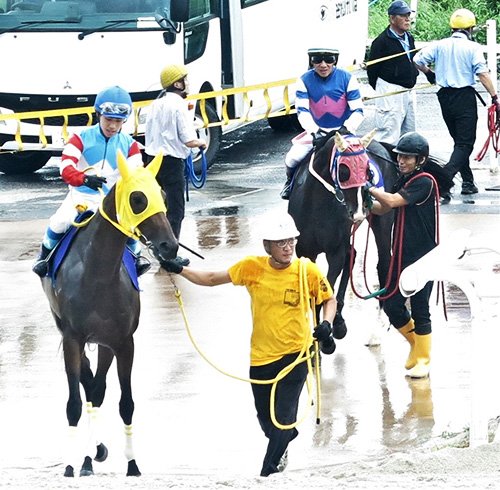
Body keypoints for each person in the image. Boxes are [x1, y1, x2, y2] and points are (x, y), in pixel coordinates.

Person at [160, 213, 337, 477]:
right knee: (267, 422)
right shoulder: (252, 267)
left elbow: (329, 299)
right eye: (281, 243)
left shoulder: (306, 270)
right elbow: (210, 278)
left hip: (296, 357)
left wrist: (327, 324)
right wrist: (180, 270)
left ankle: (266, 474)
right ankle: (285, 437)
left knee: (282, 419)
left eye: (290, 241)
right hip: (262, 359)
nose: (288, 248)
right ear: (268, 246)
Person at [32, 85, 150, 277]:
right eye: (108, 119)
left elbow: (136, 174)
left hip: (113, 201)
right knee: (59, 222)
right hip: (81, 197)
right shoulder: (80, 138)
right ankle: (43, 258)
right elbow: (65, 167)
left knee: (130, 228)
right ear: (98, 115)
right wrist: (84, 178)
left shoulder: (131, 145)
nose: (113, 126)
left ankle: (137, 259)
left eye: (118, 121)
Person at [365, 132, 437, 379]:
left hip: (423, 257)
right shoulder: (404, 180)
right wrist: (364, 203)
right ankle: (416, 346)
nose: (401, 161)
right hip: (402, 257)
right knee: (391, 304)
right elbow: (383, 207)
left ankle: (424, 359)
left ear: (420, 159)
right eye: (400, 156)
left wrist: (369, 187)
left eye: (407, 157)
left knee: (420, 308)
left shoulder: (424, 181)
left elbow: (392, 201)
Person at [413, 8, 500, 203]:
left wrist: (429, 73)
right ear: (470, 28)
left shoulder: (439, 45)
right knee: (465, 144)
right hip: (464, 97)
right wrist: (494, 96)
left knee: (459, 143)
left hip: (444, 97)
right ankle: (442, 181)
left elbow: (417, 59)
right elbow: (482, 73)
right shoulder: (473, 48)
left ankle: (468, 182)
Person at [280, 47, 364, 199]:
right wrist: (314, 131)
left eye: (328, 60)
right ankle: (289, 183)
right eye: (317, 60)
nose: (323, 65)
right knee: (292, 158)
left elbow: (358, 109)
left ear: (335, 61)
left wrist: (347, 128)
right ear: (311, 61)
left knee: (362, 157)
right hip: (316, 132)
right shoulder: (304, 80)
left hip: (344, 132)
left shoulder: (348, 78)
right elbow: (302, 111)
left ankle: (367, 189)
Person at [144, 64, 207, 267]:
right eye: (185, 80)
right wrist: (201, 143)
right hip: (172, 162)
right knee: (176, 210)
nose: (188, 84)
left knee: (158, 208)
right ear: (177, 83)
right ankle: (169, 255)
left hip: (152, 161)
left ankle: (158, 244)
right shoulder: (179, 105)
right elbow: (188, 139)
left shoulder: (155, 104)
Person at [367, 0, 421, 145]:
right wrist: (382, 90)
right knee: (388, 132)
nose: (407, 18)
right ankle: (386, 165)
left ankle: (406, 165)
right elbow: (372, 70)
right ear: (392, 18)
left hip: (408, 89)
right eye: (403, 15)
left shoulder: (409, 37)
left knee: (409, 132)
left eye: (408, 15)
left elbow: (413, 59)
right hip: (390, 89)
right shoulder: (381, 41)